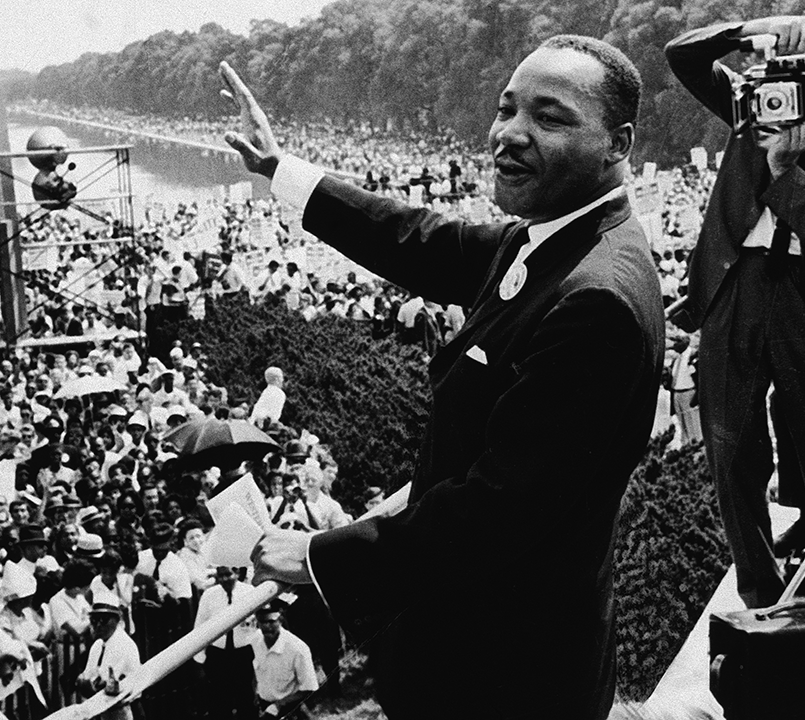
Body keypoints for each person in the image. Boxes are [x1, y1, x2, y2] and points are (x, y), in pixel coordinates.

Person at [222, 31, 664, 720]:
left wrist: (319, 555)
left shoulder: (596, 299)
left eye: (549, 118)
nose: (510, 134)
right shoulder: (550, 236)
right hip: (486, 650)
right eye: (506, 108)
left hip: (507, 676)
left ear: (619, 143)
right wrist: (280, 169)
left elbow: (495, 512)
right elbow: (417, 240)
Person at [665, 15, 805, 608]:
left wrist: (787, 174)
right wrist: (760, 30)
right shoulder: (753, 101)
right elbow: (682, 56)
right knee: (732, 448)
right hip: (735, 282)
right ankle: (760, 586)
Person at [192, 566, 258, 720]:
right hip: (218, 655)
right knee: (219, 702)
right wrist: (200, 660)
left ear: (237, 573)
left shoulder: (250, 592)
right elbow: (200, 627)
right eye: (220, 576)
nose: (224, 580)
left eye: (228, 575)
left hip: (244, 654)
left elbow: (258, 627)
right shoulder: (209, 595)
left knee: (246, 699)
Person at [248, 603, 316, 720]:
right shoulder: (254, 641)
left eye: (271, 621)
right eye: (262, 622)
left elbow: (309, 687)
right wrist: (255, 692)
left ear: (281, 620)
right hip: (264, 707)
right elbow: (255, 671)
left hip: (291, 707)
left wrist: (279, 705)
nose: (267, 626)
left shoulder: (297, 648)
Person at [75, 600, 139, 720]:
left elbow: (105, 686)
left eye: (104, 620)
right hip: (105, 708)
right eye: (94, 620)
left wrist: (87, 684)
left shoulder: (122, 643)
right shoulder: (98, 645)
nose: (98, 625)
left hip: (125, 709)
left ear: (116, 620)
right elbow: (88, 676)